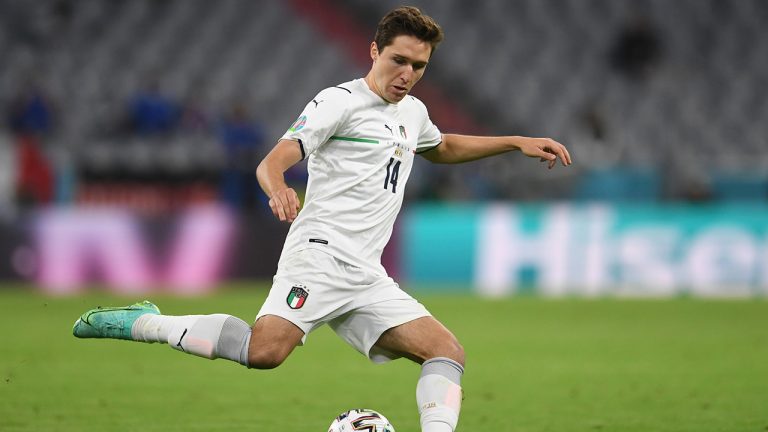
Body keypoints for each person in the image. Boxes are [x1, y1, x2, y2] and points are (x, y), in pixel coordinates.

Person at [72, 6, 571, 432]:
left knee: (447, 352)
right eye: (399, 60)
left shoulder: (412, 111)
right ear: (374, 51)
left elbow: (440, 147)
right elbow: (272, 161)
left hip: (366, 271)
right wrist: (279, 189)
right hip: (320, 254)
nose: (408, 74)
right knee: (264, 352)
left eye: (419, 66)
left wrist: (514, 142)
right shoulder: (340, 102)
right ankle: (146, 323)